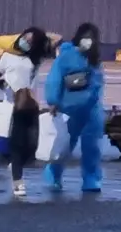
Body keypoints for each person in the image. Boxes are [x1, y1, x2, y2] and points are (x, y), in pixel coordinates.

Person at [44, 22, 105, 194]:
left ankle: (91, 179)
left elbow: (98, 83)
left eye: (92, 38)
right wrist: (53, 101)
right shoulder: (66, 56)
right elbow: (54, 79)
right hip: (68, 108)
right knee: (63, 146)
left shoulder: (94, 59)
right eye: (86, 37)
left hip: (91, 110)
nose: (89, 41)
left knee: (92, 147)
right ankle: (53, 174)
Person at [0, 27, 52, 198]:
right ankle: (17, 181)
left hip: (30, 103)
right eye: (24, 38)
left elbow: (56, 38)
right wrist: (5, 87)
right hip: (13, 104)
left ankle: (15, 164)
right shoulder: (8, 55)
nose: (25, 42)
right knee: (17, 143)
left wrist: (40, 36)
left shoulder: (34, 60)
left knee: (32, 144)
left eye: (30, 41)